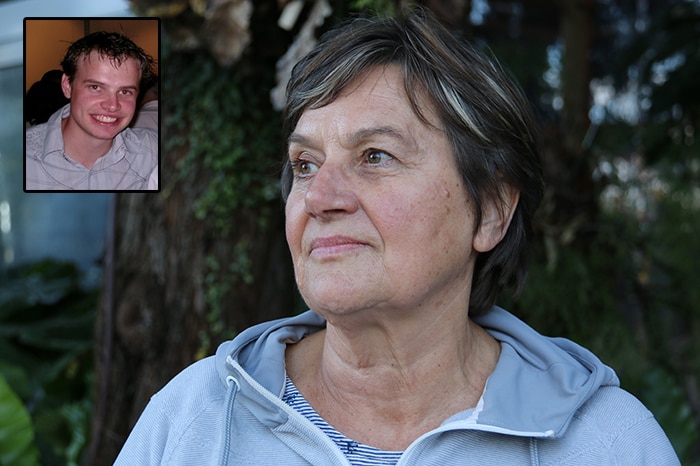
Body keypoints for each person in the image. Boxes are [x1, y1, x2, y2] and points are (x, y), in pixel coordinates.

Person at [115, 10, 680, 465]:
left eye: (375, 156)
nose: (320, 197)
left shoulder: (607, 444)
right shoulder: (195, 417)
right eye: (306, 164)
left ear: (490, 211)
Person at [25, 31, 157, 191]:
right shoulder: (21, 157)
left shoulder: (153, 154)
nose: (113, 105)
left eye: (125, 92)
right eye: (96, 87)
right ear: (67, 86)